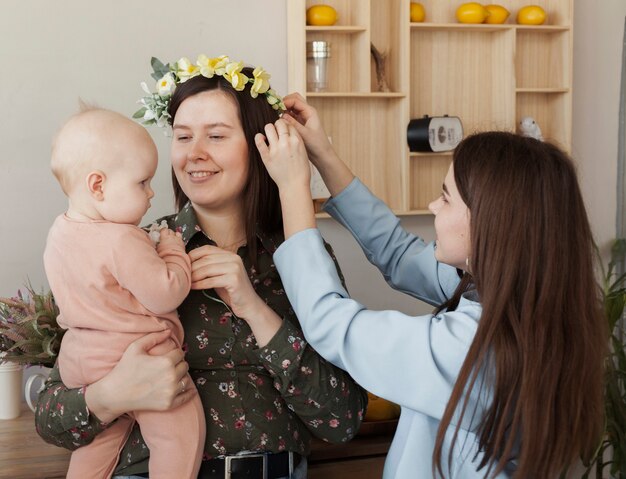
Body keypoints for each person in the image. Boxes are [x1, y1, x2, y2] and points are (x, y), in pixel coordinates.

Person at [36, 56, 367, 479]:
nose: (194, 154)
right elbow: (50, 416)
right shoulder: (133, 248)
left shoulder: (299, 255)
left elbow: (342, 419)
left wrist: (256, 310)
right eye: (182, 136)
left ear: (259, 144)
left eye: (216, 135)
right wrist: (110, 395)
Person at [252, 94, 608, 478]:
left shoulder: (471, 348)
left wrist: (292, 189)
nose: (433, 206)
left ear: (490, 224)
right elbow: (398, 253)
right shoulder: (524, 302)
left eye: (445, 197)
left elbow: (331, 323)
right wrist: (322, 153)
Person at [44, 107, 205, 479]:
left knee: (97, 446)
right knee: (178, 435)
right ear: (98, 186)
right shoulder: (122, 239)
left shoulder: (59, 233)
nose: (151, 194)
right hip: (136, 356)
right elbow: (166, 292)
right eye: (142, 182)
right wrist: (172, 251)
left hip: (81, 361)